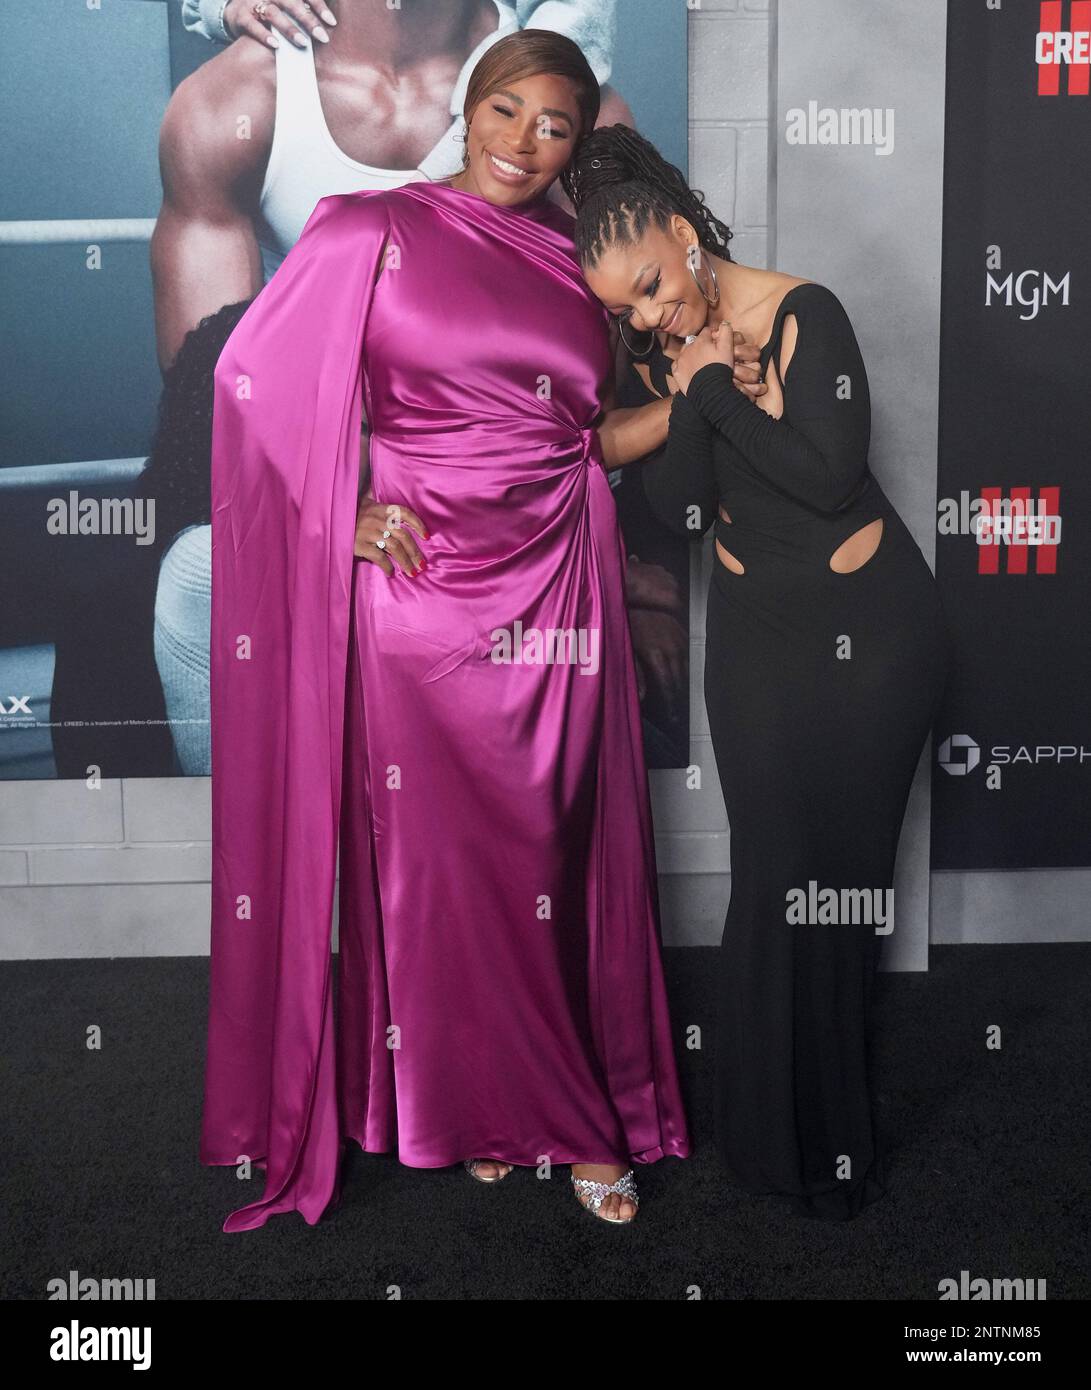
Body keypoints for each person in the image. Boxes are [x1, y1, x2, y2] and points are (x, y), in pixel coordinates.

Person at [201, 33, 692, 1233]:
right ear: (465, 111)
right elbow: (249, 387)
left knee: (547, 857)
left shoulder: (581, 259)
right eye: (505, 111)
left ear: (583, 141)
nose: (523, 143)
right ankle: (540, 1119)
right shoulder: (365, 232)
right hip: (419, 610)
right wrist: (338, 510)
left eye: (554, 125)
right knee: (439, 875)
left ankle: (513, 1104)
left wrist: (700, 394)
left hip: (561, 593)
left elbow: (593, 433)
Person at [565, 124, 954, 1220]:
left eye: (648, 285)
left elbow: (830, 480)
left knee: (830, 891)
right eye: (623, 310)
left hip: (872, 639)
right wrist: (685, 390)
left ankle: (833, 1151)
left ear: (685, 239)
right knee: (771, 876)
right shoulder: (659, 354)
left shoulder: (802, 313)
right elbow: (678, 511)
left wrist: (715, 391)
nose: (644, 316)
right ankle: (763, 1136)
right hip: (754, 638)